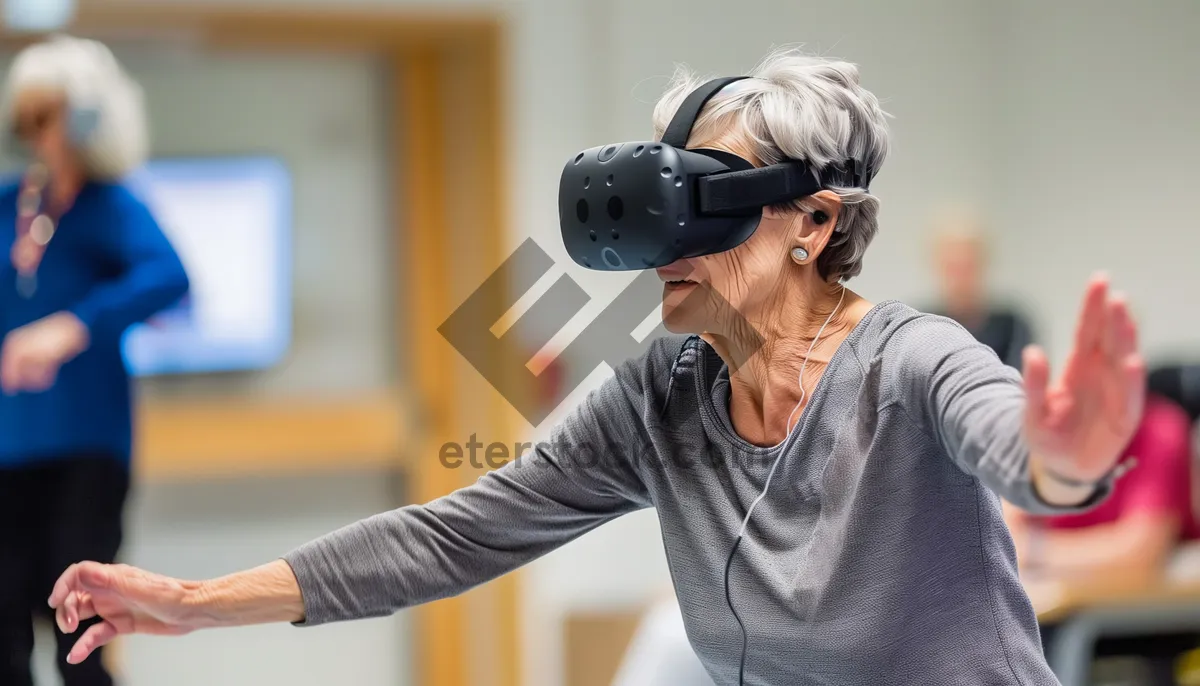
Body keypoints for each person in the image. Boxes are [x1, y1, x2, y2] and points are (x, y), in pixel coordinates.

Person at [48, 49, 1144, 685]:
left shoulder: (911, 361)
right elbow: (453, 533)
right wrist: (192, 602)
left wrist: (1070, 452)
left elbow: (1021, 443)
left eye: (702, 196)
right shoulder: (659, 394)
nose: (663, 243)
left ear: (812, 221)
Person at [0, 36, 189, 686]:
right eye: (31, 118)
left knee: (78, 632)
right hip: (7, 447)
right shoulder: (10, 205)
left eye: (53, 116)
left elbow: (169, 276)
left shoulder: (112, 207)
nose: (41, 134)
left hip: (85, 448)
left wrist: (75, 325)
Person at [1007, 392, 1194, 582]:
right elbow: (1005, 531)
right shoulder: (1048, 426)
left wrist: (1033, 551)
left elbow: (1137, 553)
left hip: (1122, 603)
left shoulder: (1160, 429)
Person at [930, 211, 1036, 369]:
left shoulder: (1012, 327)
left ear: (984, 263)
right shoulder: (922, 326)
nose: (960, 278)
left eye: (968, 266)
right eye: (953, 267)